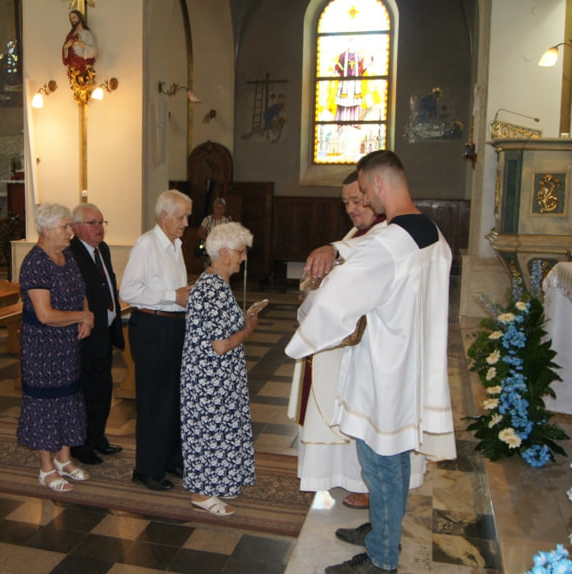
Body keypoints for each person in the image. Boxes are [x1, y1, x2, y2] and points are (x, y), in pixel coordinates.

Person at [285, 150, 455, 574]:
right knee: (392, 458)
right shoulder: (432, 233)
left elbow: (334, 302)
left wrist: (303, 326)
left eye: (363, 190)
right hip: (412, 367)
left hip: (382, 372)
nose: (363, 199)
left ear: (378, 185)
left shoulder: (389, 243)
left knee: (381, 465)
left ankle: (382, 558)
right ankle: (382, 530)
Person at [292, 172, 426, 511]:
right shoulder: (361, 233)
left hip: (372, 348)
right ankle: (354, 479)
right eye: (346, 203)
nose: (351, 208)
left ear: (374, 194)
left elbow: (363, 263)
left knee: (365, 418)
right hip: (346, 342)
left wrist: (311, 312)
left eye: (358, 199)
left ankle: (369, 488)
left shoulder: (389, 236)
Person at [181, 222, 258, 517]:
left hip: (218, 378)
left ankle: (213, 486)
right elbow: (220, 346)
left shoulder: (217, 284)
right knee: (208, 432)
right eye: (240, 252)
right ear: (223, 252)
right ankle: (202, 494)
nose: (243, 258)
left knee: (220, 430)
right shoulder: (212, 287)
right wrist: (249, 327)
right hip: (208, 380)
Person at [18, 203, 94, 492]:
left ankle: (64, 458)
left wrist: (85, 315)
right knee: (45, 403)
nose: (70, 232)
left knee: (69, 397)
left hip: (67, 344)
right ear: (46, 229)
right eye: (65, 227)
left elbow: (80, 290)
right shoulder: (35, 263)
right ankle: (46, 467)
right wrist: (81, 316)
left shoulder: (66, 256)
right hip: (43, 347)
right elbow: (45, 314)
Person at [119, 189, 192, 491]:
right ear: (163, 217)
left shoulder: (176, 245)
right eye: (181, 217)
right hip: (152, 327)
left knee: (174, 397)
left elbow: (177, 292)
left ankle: (170, 459)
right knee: (153, 400)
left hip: (174, 326)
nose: (186, 222)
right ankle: (147, 469)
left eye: (187, 216)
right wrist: (171, 295)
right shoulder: (147, 245)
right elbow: (128, 291)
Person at [69, 203, 124, 465]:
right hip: (86, 334)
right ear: (76, 226)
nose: (99, 228)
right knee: (86, 391)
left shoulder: (103, 249)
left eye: (102, 222)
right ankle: (82, 445)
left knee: (103, 389)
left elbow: (108, 282)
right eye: (93, 223)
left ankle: (99, 437)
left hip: (105, 330)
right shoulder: (71, 253)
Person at [62, 10, 97, 75]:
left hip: (84, 65)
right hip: (73, 67)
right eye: (71, 18)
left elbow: (94, 51)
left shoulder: (87, 33)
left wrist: (84, 45)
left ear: (79, 18)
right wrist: (66, 46)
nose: (72, 20)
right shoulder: (70, 35)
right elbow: (65, 51)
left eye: (74, 17)